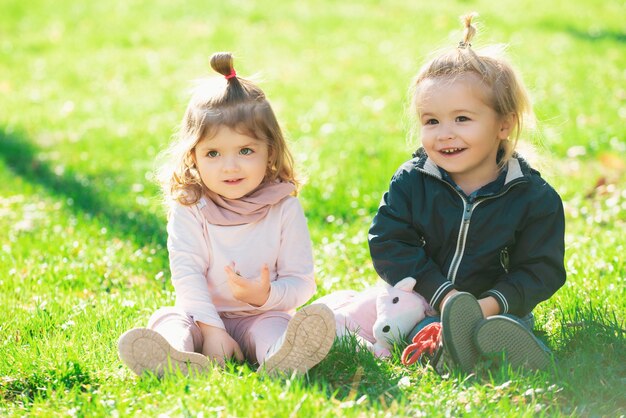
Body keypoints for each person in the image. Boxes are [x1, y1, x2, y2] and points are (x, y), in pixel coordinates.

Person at [368, 14, 566, 372]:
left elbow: (541, 270)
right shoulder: (412, 182)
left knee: (495, 329)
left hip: (497, 306)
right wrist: (444, 295)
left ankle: (505, 346)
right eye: (431, 121)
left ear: (503, 124)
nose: (445, 133)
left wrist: (488, 304)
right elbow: (388, 242)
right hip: (426, 300)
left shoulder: (533, 198)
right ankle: (441, 345)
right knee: (414, 324)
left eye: (462, 119)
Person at [118, 52, 335, 377]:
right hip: (201, 315)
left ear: (270, 151)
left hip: (262, 315)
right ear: (193, 156)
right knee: (169, 318)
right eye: (213, 153)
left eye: (246, 150)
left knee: (275, 328)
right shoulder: (191, 206)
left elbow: (302, 282)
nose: (230, 166)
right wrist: (211, 329)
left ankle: (282, 358)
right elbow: (187, 274)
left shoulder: (283, 206)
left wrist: (266, 295)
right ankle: (174, 356)